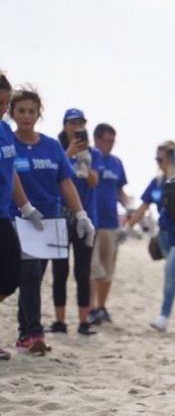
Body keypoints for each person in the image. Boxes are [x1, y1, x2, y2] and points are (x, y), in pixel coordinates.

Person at [7, 86, 95, 355]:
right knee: (30, 273)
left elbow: (66, 182)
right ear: (12, 113)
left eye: (31, 111)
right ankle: (33, 333)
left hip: (50, 221)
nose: (26, 116)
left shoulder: (51, 146)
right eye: (20, 111)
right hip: (19, 219)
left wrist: (81, 215)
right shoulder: (7, 142)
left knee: (35, 276)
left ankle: (25, 332)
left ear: (38, 114)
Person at [1, 71, 48, 360]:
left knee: (11, 275)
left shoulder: (5, 130)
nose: (3, 109)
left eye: (5, 104)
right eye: (0, 103)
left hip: (3, 213)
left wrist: (26, 206)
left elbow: (11, 171)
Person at [122, 140, 175, 332]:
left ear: (170, 157)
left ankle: (163, 316)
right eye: (156, 158)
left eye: (160, 158)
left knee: (171, 272)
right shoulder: (157, 182)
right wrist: (128, 227)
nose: (158, 162)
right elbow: (143, 207)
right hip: (164, 236)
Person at [51, 108, 100, 336]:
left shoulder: (92, 153)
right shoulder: (56, 150)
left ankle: (83, 321)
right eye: (72, 123)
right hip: (60, 216)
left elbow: (92, 182)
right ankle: (59, 321)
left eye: (80, 123)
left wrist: (84, 158)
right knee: (60, 271)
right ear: (64, 125)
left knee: (83, 272)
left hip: (85, 217)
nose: (76, 127)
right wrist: (68, 153)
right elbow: (53, 179)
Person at [88, 122, 130, 325]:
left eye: (113, 141)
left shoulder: (116, 162)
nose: (110, 145)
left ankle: (101, 307)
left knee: (107, 269)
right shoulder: (88, 159)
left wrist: (128, 207)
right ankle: (90, 308)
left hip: (111, 223)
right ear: (96, 140)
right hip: (91, 222)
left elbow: (119, 190)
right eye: (107, 141)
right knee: (93, 269)